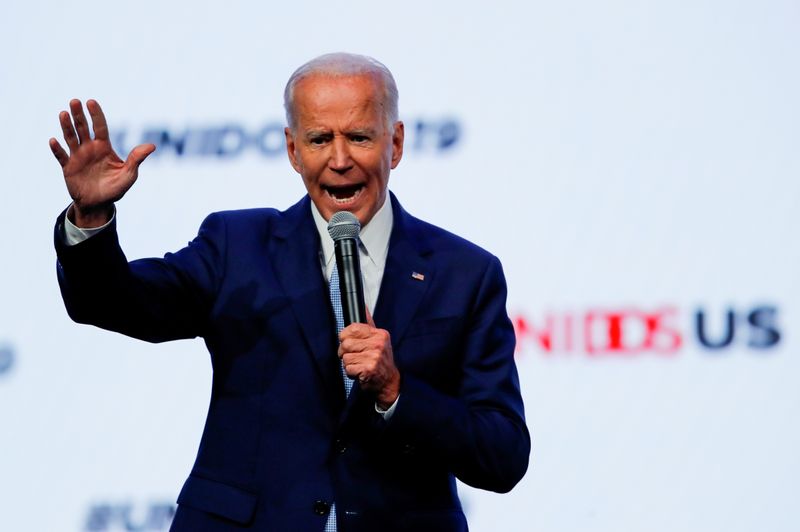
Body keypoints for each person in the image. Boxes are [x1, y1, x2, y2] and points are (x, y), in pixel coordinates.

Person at [51, 53, 530, 532]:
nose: (339, 161)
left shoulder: (465, 273)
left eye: (359, 137)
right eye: (319, 139)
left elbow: (503, 453)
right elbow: (117, 302)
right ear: (293, 149)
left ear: (396, 143)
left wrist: (396, 392)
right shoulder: (236, 247)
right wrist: (90, 219)